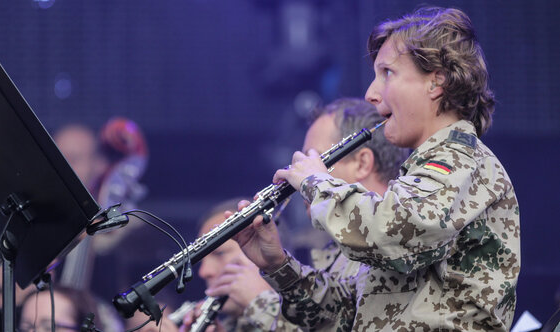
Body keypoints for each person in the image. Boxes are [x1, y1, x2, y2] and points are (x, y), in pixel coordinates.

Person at [235, 6, 520, 331]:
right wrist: (278, 265)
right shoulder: (415, 180)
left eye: (387, 72)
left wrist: (317, 183)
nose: (371, 93)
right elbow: (343, 317)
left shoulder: (461, 159)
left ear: (436, 81)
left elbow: (392, 233)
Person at [206, 98, 407, 332]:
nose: (297, 177)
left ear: (362, 163)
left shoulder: (400, 240)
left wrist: (259, 302)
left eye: (315, 161)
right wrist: (278, 265)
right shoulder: (336, 252)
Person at [180, 198, 296, 332]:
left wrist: (263, 305)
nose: (204, 272)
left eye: (220, 253)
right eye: (201, 261)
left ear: (267, 251)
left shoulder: (319, 307)